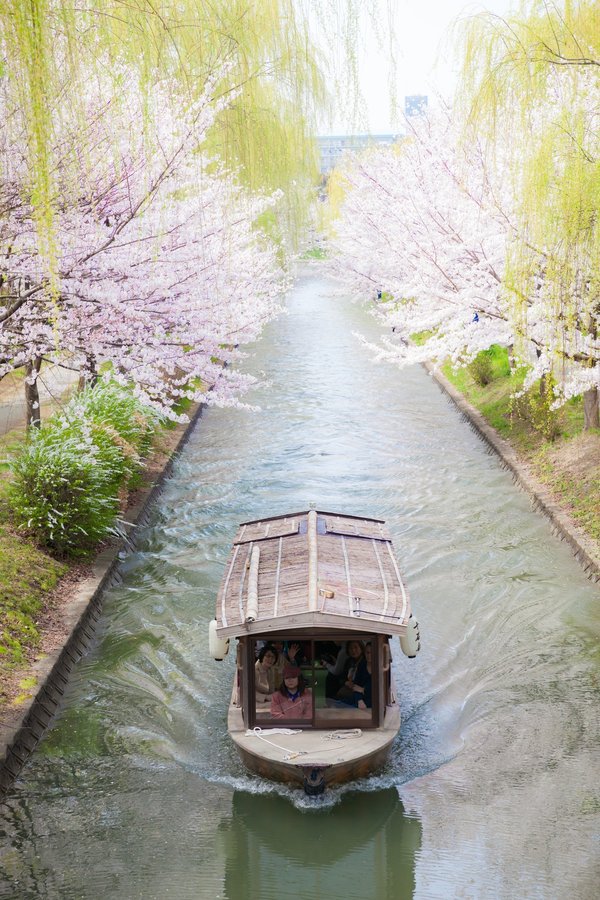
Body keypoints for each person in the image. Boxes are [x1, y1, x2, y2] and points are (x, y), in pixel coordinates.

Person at [331, 640, 365, 706]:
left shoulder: (365, 662)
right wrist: (346, 682)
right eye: (351, 648)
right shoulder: (349, 661)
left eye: (355, 647)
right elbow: (342, 677)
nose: (353, 650)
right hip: (348, 688)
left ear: (361, 648)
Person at [351, 642, 372, 709]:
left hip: (374, 702)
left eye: (372, 653)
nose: (369, 655)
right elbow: (356, 686)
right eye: (367, 652)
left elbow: (379, 690)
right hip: (360, 700)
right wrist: (359, 700)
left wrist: (363, 690)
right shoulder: (362, 665)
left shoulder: (381, 668)